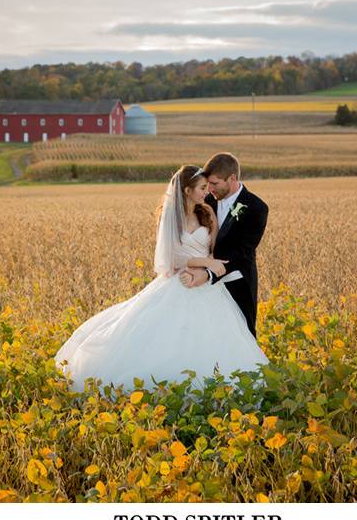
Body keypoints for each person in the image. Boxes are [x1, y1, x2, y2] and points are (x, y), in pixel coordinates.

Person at [55, 164, 268, 392]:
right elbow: (170, 259)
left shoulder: (207, 213)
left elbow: (214, 251)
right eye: (202, 187)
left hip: (207, 287)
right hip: (177, 282)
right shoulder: (170, 218)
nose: (207, 192)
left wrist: (205, 271)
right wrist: (204, 264)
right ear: (187, 191)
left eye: (208, 187)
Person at [180, 152, 269, 338]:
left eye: (215, 183)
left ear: (232, 178)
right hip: (201, 285)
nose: (209, 189)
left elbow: (243, 251)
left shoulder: (256, 208)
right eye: (207, 184)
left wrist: (207, 274)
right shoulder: (204, 201)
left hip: (237, 282)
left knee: (242, 337)